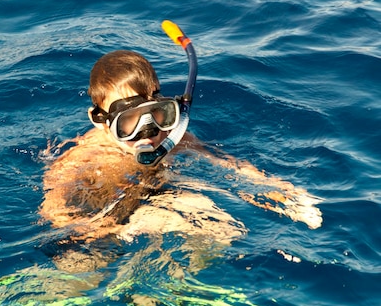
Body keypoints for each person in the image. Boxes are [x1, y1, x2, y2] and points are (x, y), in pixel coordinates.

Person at [40, 46, 322, 274]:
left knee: (223, 230)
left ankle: (180, 296)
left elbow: (230, 167)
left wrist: (283, 193)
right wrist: (93, 227)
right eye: (129, 125)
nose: (147, 134)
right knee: (81, 268)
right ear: (101, 121)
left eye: (157, 116)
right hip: (100, 222)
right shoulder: (85, 154)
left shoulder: (176, 141)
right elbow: (53, 205)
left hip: (157, 201)